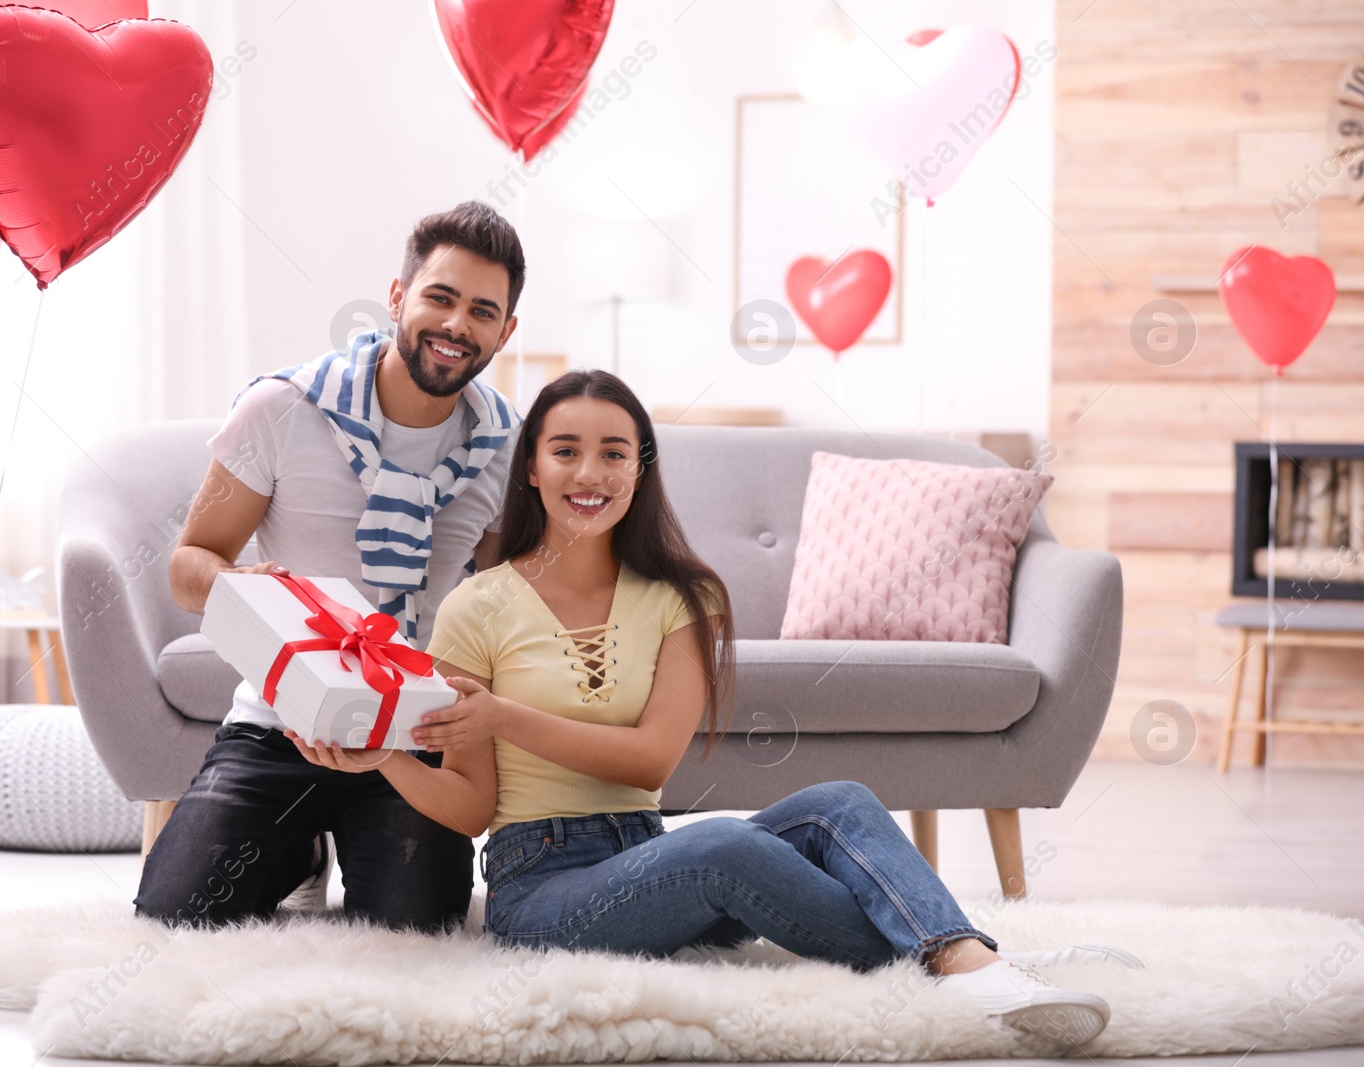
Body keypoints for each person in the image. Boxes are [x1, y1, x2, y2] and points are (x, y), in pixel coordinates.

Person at [289, 369, 1136, 1049]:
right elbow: (472, 804)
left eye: (615, 453)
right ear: (532, 467)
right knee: (729, 843)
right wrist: (387, 758)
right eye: (567, 451)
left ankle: (965, 954)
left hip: (645, 855)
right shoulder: (476, 608)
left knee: (839, 800)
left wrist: (506, 716)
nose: (591, 473)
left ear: (641, 469)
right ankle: (968, 957)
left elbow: (651, 762)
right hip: (539, 889)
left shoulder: (681, 596)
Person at [134, 201, 528, 934]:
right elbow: (189, 564)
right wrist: (236, 587)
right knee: (175, 915)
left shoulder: (506, 448)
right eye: (439, 297)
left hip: (408, 734)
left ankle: (340, 843)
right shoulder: (282, 408)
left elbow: (511, 602)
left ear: (505, 331)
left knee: (418, 930)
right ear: (396, 296)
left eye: (482, 311)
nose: (456, 326)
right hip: (280, 721)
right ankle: (300, 850)